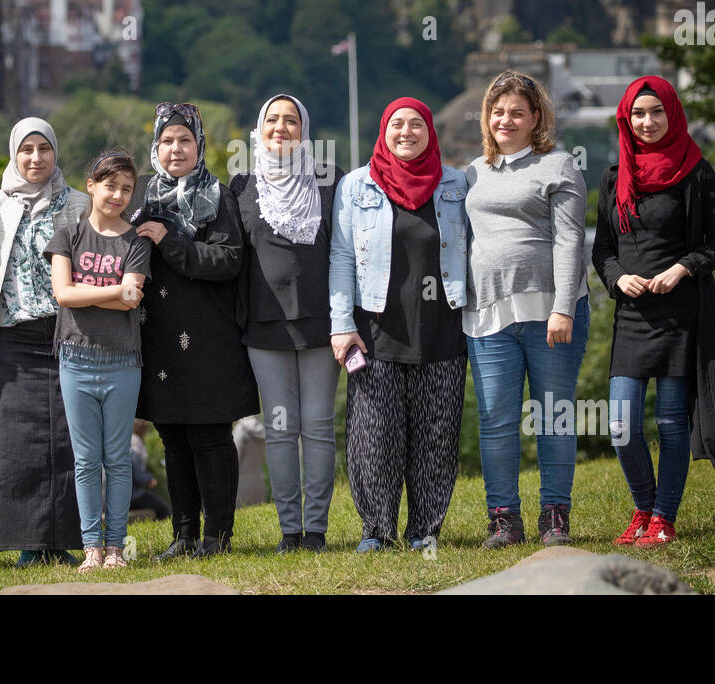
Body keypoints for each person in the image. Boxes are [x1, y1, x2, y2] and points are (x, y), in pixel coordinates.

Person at [593, 76, 715, 548]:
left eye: (656, 113)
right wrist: (616, 278)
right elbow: (603, 249)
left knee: (670, 422)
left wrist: (683, 268)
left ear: (672, 114)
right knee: (621, 425)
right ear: (626, 120)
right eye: (638, 115)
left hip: (681, 314)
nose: (647, 122)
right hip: (633, 315)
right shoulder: (613, 177)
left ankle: (663, 519)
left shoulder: (697, 173)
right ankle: (642, 508)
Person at [330, 98, 469, 552]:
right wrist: (340, 322)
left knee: (436, 435)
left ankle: (424, 530)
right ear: (383, 131)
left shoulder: (455, 184)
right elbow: (342, 258)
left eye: (415, 125)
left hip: (442, 326)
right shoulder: (357, 185)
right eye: (396, 124)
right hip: (375, 330)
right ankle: (377, 530)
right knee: (374, 438)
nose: (406, 132)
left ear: (430, 131)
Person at [463, 72, 590, 548]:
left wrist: (562, 309)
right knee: (496, 418)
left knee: (554, 414)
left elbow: (570, 239)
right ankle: (503, 520)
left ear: (536, 117)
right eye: (498, 112)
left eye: (517, 112)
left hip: (551, 314)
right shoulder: (474, 171)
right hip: (487, 317)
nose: (506, 120)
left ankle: (555, 517)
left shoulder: (558, 165)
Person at [132, 102, 258, 560]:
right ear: (156, 147)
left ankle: (217, 537)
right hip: (158, 336)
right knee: (173, 437)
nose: (176, 148)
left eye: (185, 140)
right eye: (167, 140)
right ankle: (183, 535)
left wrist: (173, 243)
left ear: (199, 145)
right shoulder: (141, 196)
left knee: (210, 436)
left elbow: (227, 261)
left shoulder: (219, 197)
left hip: (209, 340)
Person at [229, 93, 343, 553]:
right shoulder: (240, 188)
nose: (281, 128)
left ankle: (315, 531)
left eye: (291, 120)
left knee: (317, 425)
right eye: (272, 120)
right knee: (279, 429)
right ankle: (289, 531)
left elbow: (344, 253)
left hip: (321, 323)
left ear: (304, 129)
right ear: (260, 128)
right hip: (265, 327)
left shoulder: (330, 181)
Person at [0, 117, 91, 566]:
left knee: (67, 440)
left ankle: (63, 541)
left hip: (66, 333)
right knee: (14, 442)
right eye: (26, 150)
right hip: (9, 339)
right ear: (13, 153)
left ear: (55, 153)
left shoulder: (80, 204)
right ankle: (28, 544)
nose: (35, 158)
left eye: (43, 149)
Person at [45, 149, 151, 573]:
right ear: (91, 185)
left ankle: (115, 548)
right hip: (75, 359)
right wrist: (113, 293)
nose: (118, 195)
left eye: (126, 189)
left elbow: (131, 300)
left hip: (123, 362)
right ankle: (91, 546)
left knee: (117, 458)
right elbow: (63, 295)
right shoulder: (67, 235)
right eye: (110, 186)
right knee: (86, 458)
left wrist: (85, 291)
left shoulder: (137, 241)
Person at [129, 420, 170, 520]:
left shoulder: (127, 441)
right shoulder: (135, 446)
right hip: (133, 494)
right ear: (143, 432)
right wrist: (149, 479)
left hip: (122, 494)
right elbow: (137, 474)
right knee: (164, 509)